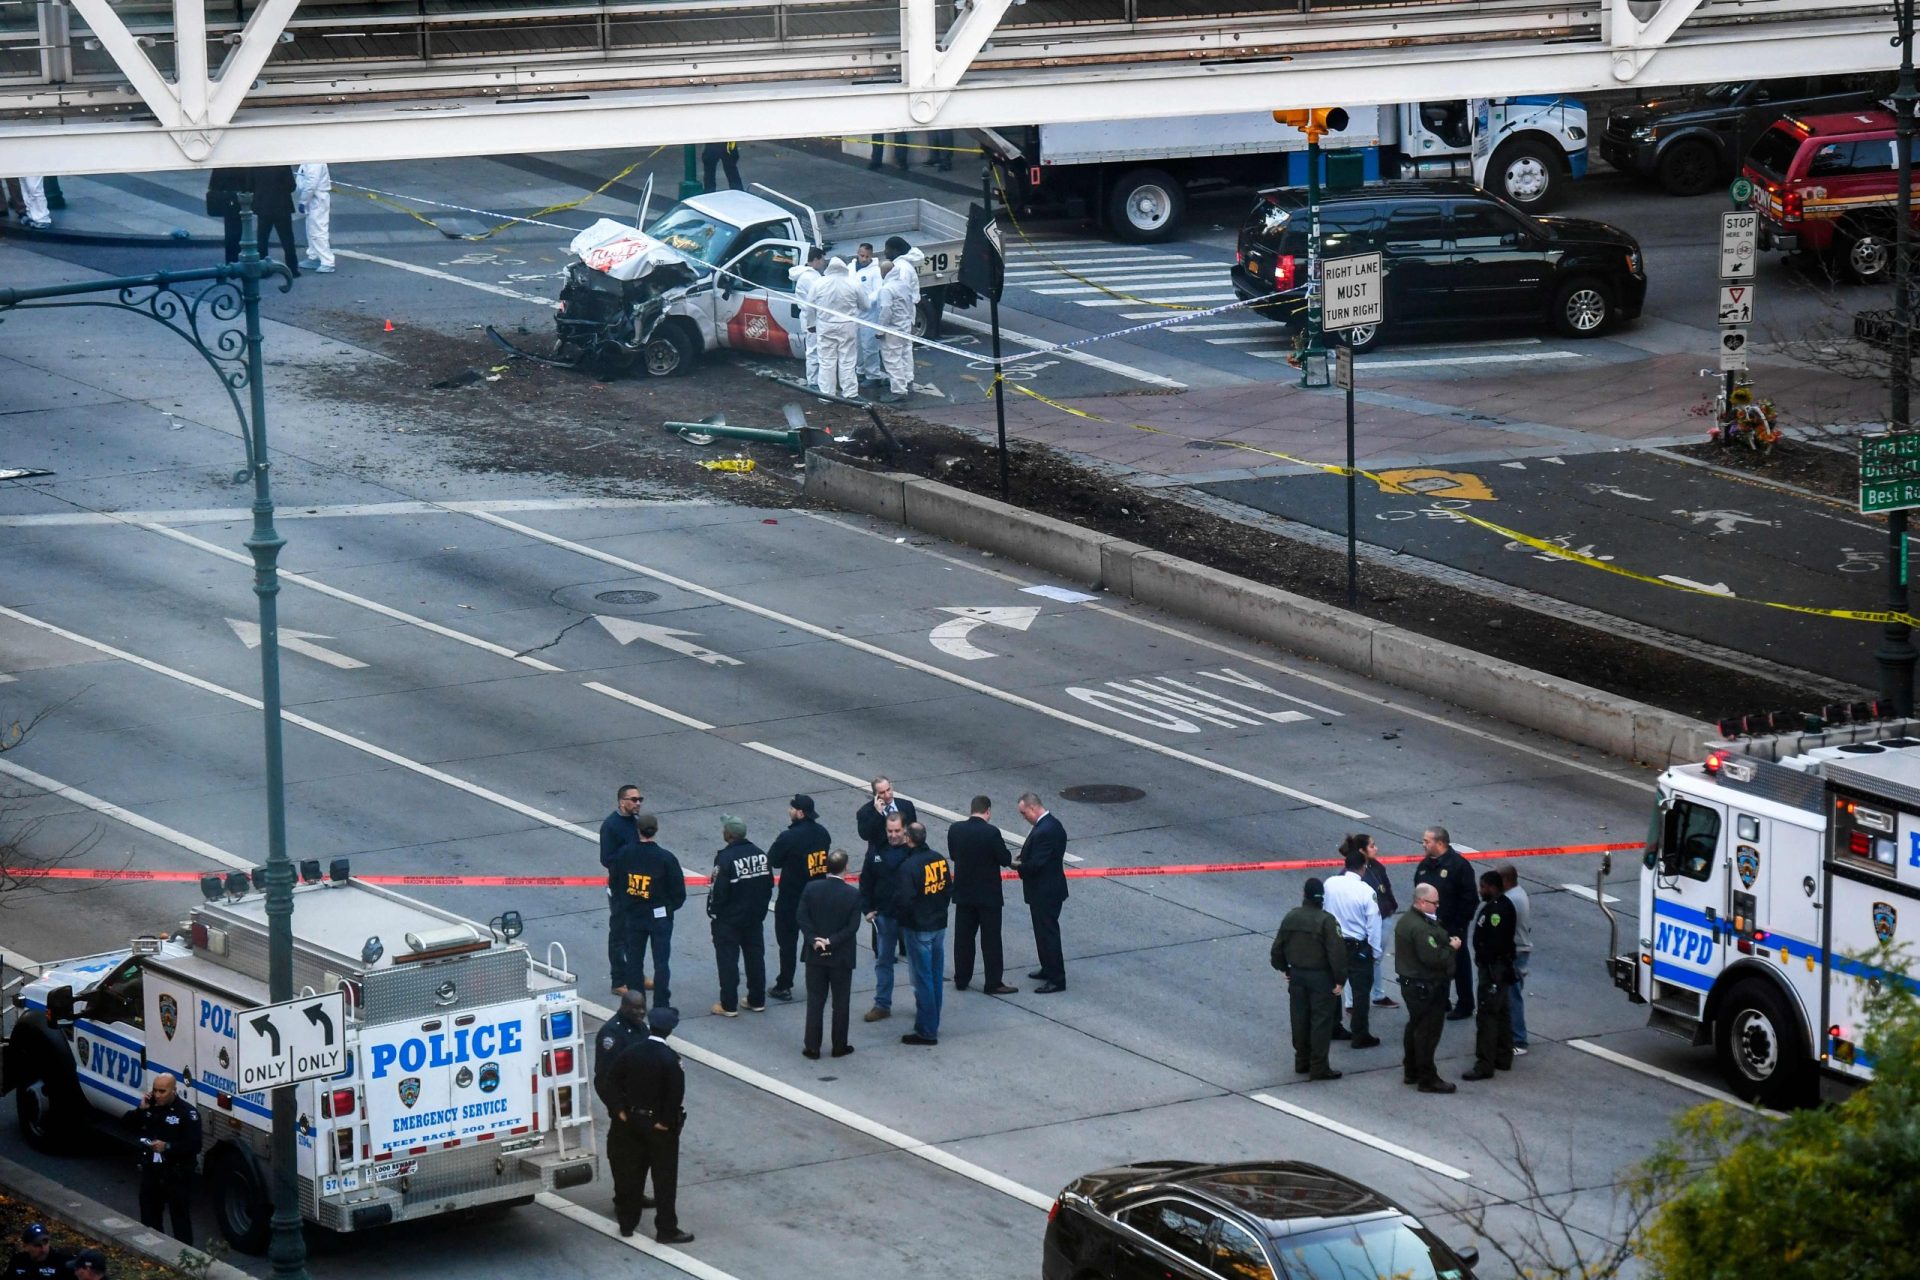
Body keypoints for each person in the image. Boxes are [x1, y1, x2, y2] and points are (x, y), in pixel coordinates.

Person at [608, 1006, 694, 1245]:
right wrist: (665, 1123)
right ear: (670, 1030)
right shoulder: (670, 1059)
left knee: (632, 1173)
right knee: (664, 1179)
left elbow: (612, 1079)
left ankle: (627, 1223)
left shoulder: (632, 1051)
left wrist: (619, 1110)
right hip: (659, 1128)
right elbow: (676, 1094)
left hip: (632, 1121)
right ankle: (666, 1228)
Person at [1271, 878, 1347, 1081]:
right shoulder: (1327, 921)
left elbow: (1277, 949)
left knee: (1299, 1019)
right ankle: (1319, 1066)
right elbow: (1336, 953)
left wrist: (1285, 968)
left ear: (1304, 894)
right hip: (1321, 978)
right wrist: (1340, 979)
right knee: (1320, 1022)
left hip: (1297, 976)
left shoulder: (1291, 917)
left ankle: (1301, 1060)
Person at [594, 990, 655, 1236]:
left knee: (642, 1155)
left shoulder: (642, 1028)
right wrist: (616, 1109)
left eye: (643, 1008)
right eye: (635, 1008)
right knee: (622, 1157)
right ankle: (623, 1200)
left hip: (641, 1106)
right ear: (623, 1007)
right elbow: (604, 1078)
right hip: (624, 1109)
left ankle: (636, 1194)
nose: (640, 1012)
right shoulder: (612, 1034)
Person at [614, 813, 686, 1009]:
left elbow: (616, 883)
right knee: (661, 962)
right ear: (655, 830)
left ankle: (636, 1002)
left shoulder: (625, 854)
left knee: (634, 960)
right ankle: (661, 1002)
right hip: (659, 916)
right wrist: (668, 908)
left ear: (638, 830)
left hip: (634, 915)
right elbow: (679, 892)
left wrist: (627, 904)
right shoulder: (666, 858)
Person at [798, 849, 862, 1059]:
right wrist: (831, 941)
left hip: (815, 954)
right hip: (841, 956)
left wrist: (814, 939)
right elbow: (852, 927)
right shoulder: (852, 895)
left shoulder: (811, 888)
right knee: (840, 1003)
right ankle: (839, 1045)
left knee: (815, 1001)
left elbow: (802, 917)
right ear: (846, 868)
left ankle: (812, 1046)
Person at [948, 795, 1016, 994]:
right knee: (991, 940)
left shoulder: (955, 829)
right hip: (988, 896)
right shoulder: (991, 832)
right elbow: (1005, 859)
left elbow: (953, 855)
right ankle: (993, 982)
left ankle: (962, 978)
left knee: (963, 939)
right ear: (988, 811)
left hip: (964, 893)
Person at [1395, 884, 1460, 1093]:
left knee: (1415, 1026)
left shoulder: (1409, 920)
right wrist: (1451, 947)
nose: (1438, 905)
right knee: (1427, 1032)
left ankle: (1411, 1069)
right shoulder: (1421, 927)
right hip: (1425, 986)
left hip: (1414, 984)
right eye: (1435, 902)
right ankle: (1427, 1077)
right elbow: (1433, 958)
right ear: (1421, 902)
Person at [767, 793, 832, 1002]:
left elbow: (774, 860)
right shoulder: (823, 833)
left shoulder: (789, 837)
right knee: (816, 941)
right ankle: (820, 983)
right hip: (817, 895)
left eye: (792, 808)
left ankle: (784, 985)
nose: (789, 810)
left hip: (792, 898)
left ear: (800, 812)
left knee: (787, 943)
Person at [893, 821, 952, 1046]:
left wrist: (903, 920)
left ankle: (927, 1030)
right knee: (935, 976)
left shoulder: (909, 866)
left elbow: (904, 900)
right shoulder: (938, 859)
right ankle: (932, 1020)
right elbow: (947, 888)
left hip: (919, 927)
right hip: (938, 924)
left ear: (908, 838)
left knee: (923, 979)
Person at [708, 816, 773, 1016]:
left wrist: (714, 913)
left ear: (728, 834)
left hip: (729, 920)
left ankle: (728, 1004)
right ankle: (757, 999)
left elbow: (718, 891)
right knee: (755, 958)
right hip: (754, 918)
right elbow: (768, 885)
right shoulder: (761, 855)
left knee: (728, 961)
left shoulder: (726, 858)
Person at [124, 1072, 199, 1244]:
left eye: (162, 1091)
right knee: (149, 1218)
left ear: (174, 1090)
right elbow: (126, 1125)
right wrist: (140, 1110)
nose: (157, 1095)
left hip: (176, 1173)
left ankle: (184, 1257)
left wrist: (168, 1147)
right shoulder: (150, 1107)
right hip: (152, 1171)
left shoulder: (187, 1113)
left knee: (180, 1219)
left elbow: (195, 1145)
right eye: (155, 1090)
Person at [1323, 844, 1383, 1049]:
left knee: (1334, 985)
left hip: (1333, 943)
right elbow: (1374, 924)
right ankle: (1360, 1034)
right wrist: (1375, 951)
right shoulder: (1366, 891)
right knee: (1360, 991)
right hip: (1357, 947)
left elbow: (1324, 909)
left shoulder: (1330, 883)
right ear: (1363, 867)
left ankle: (1333, 1026)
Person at [1414, 826, 1477, 1019]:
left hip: (1452, 926)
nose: (1423, 844)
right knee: (1436, 963)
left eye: (1427, 841)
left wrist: (1459, 925)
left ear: (1440, 843)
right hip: (1431, 925)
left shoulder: (1458, 866)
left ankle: (1465, 1004)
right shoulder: (1425, 865)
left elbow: (1470, 899)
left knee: (1458, 965)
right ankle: (1442, 1000)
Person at [859, 812, 914, 1022]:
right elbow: (866, 881)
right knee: (884, 960)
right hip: (885, 916)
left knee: (916, 963)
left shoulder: (913, 851)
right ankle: (882, 1004)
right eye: (890, 831)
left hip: (909, 918)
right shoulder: (876, 851)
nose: (893, 835)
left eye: (897, 831)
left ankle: (923, 1003)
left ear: (905, 829)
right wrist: (867, 908)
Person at [1464, 870, 1517, 1081]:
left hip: (1493, 969)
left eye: (1483, 886)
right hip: (1498, 967)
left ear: (1493, 887)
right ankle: (1503, 1056)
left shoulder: (1497, 910)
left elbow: (1494, 942)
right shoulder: (1500, 905)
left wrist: (1484, 959)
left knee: (1487, 1016)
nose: (1480, 890)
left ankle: (1484, 1064)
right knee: (1502, 1012)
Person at [1014, 792, 1069, 993]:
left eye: (1023, 813)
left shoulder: (1046, 830)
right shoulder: (1049, 825)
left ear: (1033, 808)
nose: (1023, 817)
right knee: (1042, 933)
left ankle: (1056, 978)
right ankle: (1047, 968)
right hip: (1044, 890)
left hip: (1045, 891)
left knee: (1048, 935)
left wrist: (1018, 865)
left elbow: (1037, 864)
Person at [210, 166, 300, 275]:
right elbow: (291, 186)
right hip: (282, 205)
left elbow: (249, 185)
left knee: (262, 238)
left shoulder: (256, 166)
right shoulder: (282, 165)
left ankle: (263, 270)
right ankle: (293, 268)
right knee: (287, 239)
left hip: (263, 205)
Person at [600, 784, 643, 994]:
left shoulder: (635, 823)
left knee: (635, 934)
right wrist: (630, 853)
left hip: (636, 887)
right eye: (634, 799)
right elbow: (606, 859)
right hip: (619, 890)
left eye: (639, 799)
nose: (638, 803)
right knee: (619, 935)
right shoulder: (611, 826)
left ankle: (636, 975)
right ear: (622, 802)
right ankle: (618, 980)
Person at [807, 257, 865, 399]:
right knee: (848, 360)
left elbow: (809, 306)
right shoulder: (853, 283)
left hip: (825, 327)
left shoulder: (819, 283)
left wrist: (811, 324)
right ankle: (850, 393)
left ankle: (827, 395)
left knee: (826, 361)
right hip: (847, 327)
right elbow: (865, 305)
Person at [874, 245, 924, 403]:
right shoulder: (903, 285)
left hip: (892, 330)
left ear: (885, 273)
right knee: (905, 355)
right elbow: (911, 303)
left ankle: (898, 390)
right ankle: (908, 380)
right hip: (904, 327)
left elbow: (886, 311)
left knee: (892, 360)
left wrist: (880, 330)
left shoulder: (887, 289)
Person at [1358, 834, 1400, 1009]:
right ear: (1362, 850)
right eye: (1372, 846)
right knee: (1363, 961)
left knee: (1376, 959)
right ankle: (1355, 1000)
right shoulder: (1356, 872)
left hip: (1384, 917)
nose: (1376, 849)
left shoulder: (1377, 867)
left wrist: (1391, 906)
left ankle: (1377, 994)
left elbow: (1386, 888)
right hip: (1370, 922)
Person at [1501, 863, 1532, 1055]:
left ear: (1505, 880)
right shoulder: (1518, 893)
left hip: (1516, 951)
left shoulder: (1511, 900)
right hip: (1519, 948)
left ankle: (1518, 1040)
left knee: (1512, 995)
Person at [787, 247, 827, 390]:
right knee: (813, 350)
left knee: (814, 349)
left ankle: (815, 380)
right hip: (812, 319)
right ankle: (813, 381)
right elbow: (818, 300)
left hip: (812, 318)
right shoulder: (810, 277)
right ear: (815, 260)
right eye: (822, 259)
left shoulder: (810, 275)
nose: (823, 263)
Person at [853, 243, 885, 385]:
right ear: (857, 253)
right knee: (857, 345)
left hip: (869, 314)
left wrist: (864, 301)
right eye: (862, 255)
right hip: (854, 314)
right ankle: (859, 371)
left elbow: (878, 291)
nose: (864, 259)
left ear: (871, 256)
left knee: (869, 345)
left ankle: (873, 376)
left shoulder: (875, 272)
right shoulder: (851, 268)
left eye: (867, 256)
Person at [295, 162, 335, 274]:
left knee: (318, 231)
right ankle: (314, 256)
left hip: (317, 199)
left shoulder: (314, 162)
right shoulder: (310, 159)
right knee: (311, 230)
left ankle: (327, 261)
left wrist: (303, 200)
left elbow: (311, 183)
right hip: (314, 199)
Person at [5, 1224, 70, 1280]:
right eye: (37, 1245)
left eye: (45, 1242)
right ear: (25, 1246)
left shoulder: (62, 1263)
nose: (43, 1249)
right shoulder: (18, 1261)